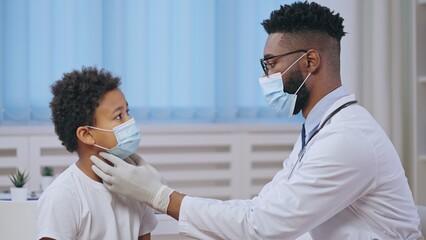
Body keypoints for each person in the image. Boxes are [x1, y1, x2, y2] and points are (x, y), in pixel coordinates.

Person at [90, 2, 422, 239]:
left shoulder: (347, 140)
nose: (267, 76)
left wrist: (161, 197)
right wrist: (163, 200)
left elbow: (263, 226)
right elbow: (261, 210)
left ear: (310, 61)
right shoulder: (321, 130)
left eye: (272, 64)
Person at [37, 67, 157, 240]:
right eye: (118, 116)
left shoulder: (136, 185)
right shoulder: (63, 195)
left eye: (127, 112)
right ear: (87, 134)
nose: (130, 121)